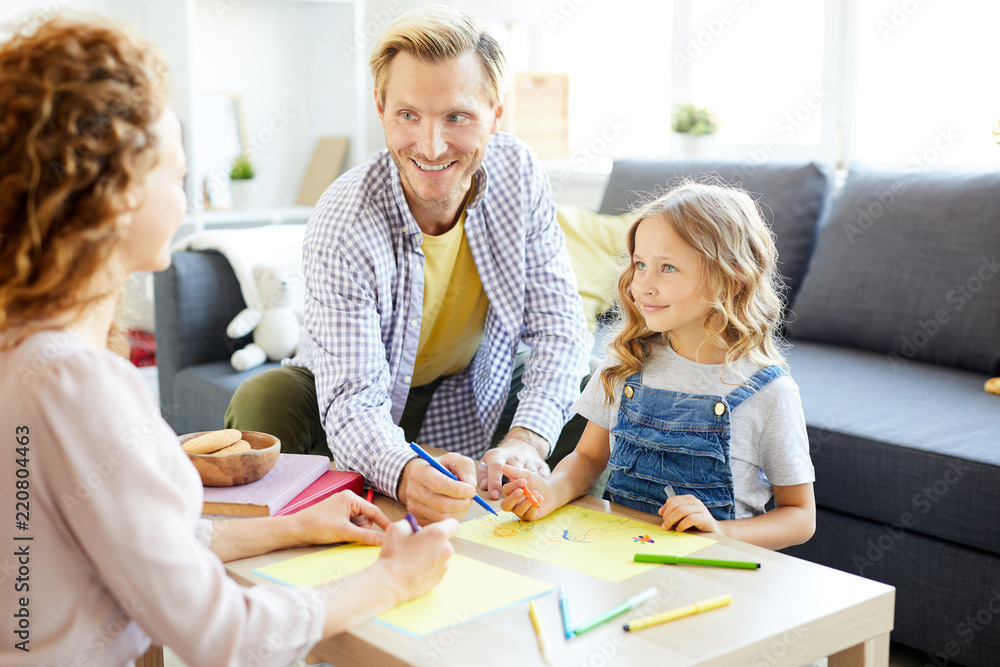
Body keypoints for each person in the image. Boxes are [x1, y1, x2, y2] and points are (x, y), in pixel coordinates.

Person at [0, 17, 457, 666]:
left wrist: (296, 524)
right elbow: (223, 634)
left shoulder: (26, 353)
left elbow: (146, 544)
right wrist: (391, 578)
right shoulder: (74, 383)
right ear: (117, 191)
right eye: (177, 177)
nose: (184, 205)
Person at [225, 5, 592, 525]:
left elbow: (559, 329)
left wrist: (527, 440)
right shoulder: (343, 219)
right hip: (354, 386)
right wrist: (401, 471)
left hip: (473, 381)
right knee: (266, 395)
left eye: (457, 117)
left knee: (596, 391)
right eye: (408, 115)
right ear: (380, 109)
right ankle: (289, 532)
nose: (432, 145)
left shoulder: (520, 174)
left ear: (496, 113)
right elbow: (352, 400)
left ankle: (538, 518)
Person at [500, 182, 816, 550]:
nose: (643, 286)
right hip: (618, 558)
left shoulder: (770, 392)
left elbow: (799, 517)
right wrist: (550, 492)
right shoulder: (626, 360)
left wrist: (722, 531)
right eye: (640, 265)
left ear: (731, 278)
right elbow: (587, 458)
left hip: (712, 571)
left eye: (667, 267)